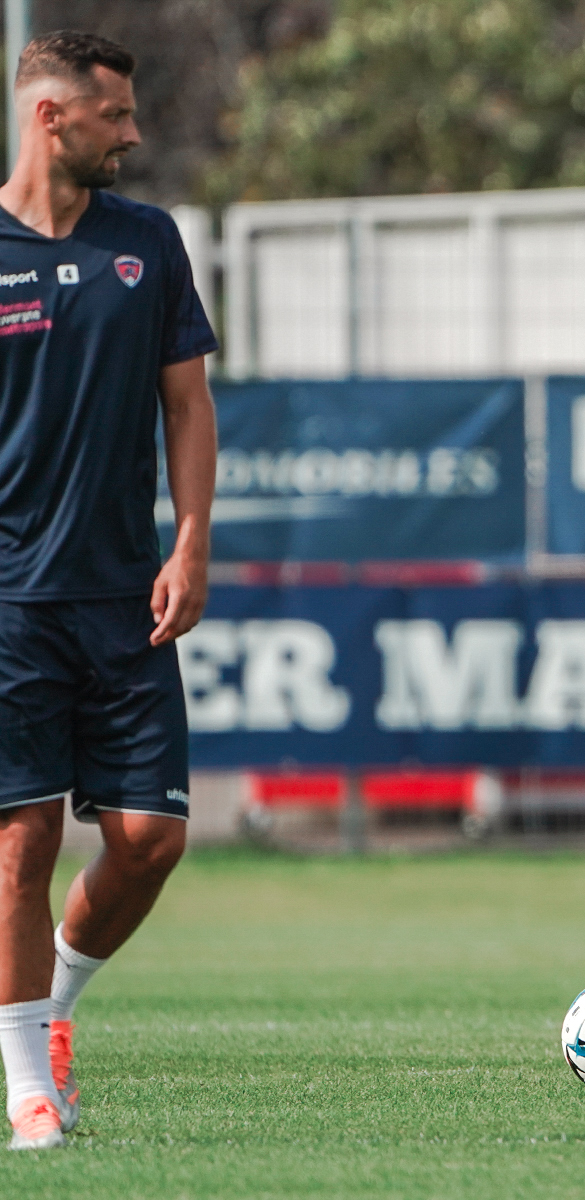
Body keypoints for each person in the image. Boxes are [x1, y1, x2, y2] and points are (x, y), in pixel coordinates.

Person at [0, 31, 218, 1148]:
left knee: (149, 840)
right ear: (52, 117)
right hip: (9, 602)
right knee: (23, 838)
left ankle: (55, 1016)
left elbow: (187, 405)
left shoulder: (148, 241)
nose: (133, 134)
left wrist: (190, 543)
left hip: (124, 596)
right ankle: (25, 1085)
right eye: (115, 117)